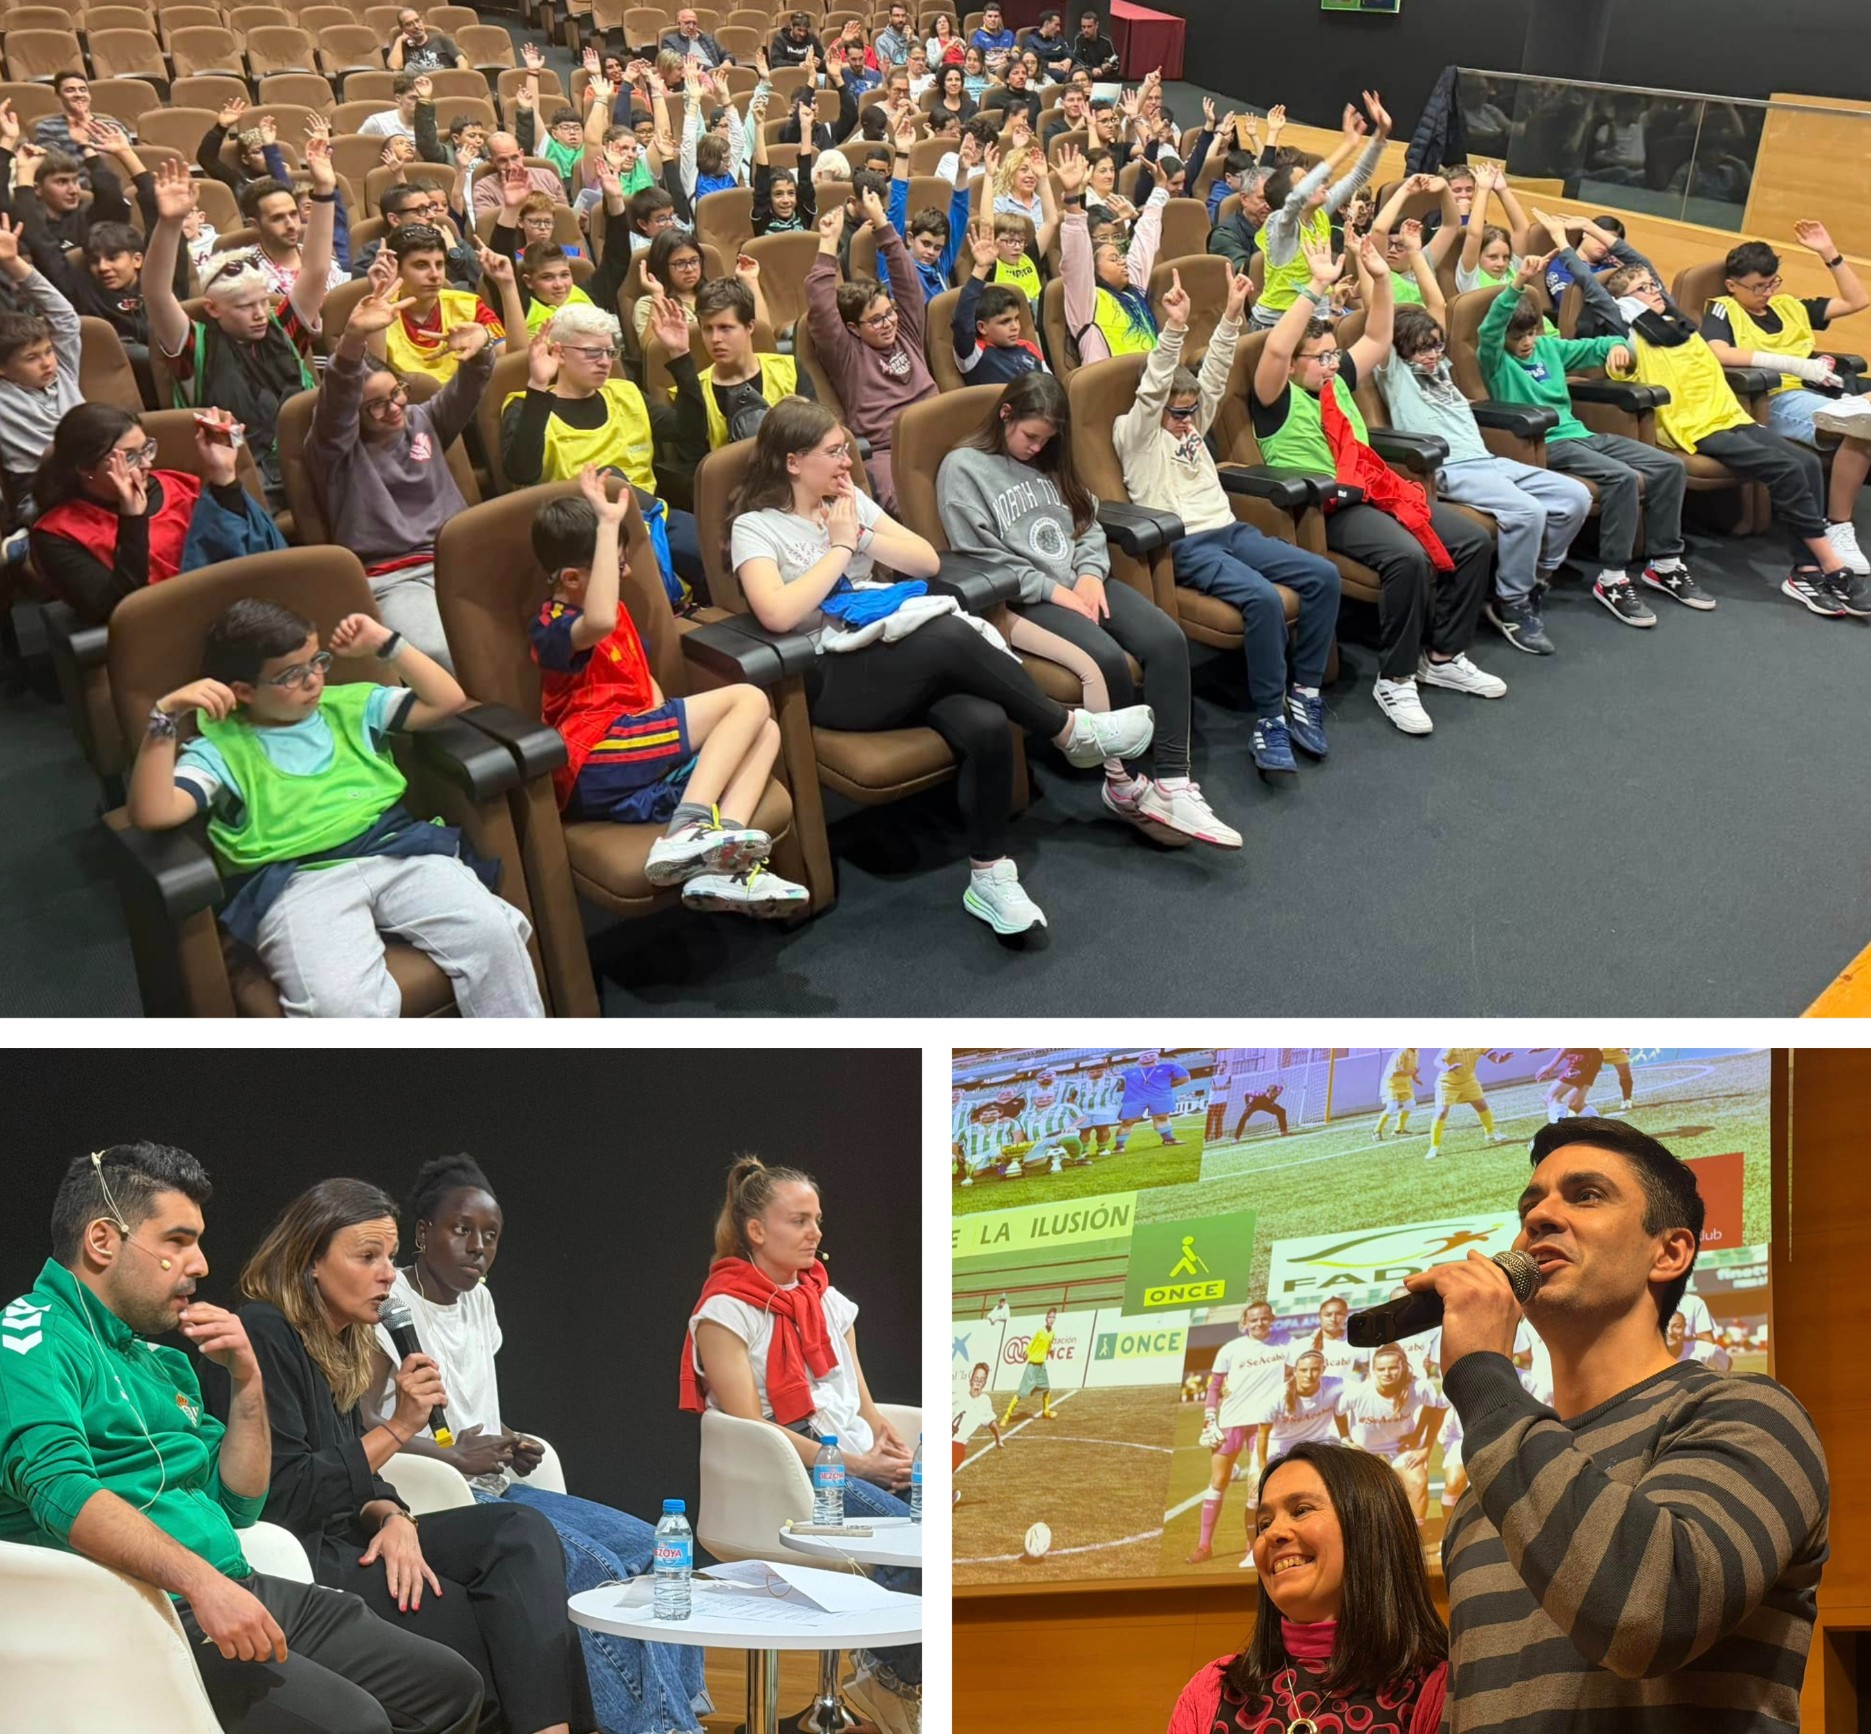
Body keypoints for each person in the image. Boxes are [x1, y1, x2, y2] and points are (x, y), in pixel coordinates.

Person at [0, 1146, 486, 1734]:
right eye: (177, 1241)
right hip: (125, 1608)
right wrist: (202, 1584)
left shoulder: (157, 1361)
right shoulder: (27, 1338)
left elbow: (239, 1502)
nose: (200, 1263)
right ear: (103, 1240)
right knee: (355, 1723)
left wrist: (248, 1379)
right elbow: (59, 1488)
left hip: (226, 1581)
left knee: (450, 1686)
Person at [1423, 1119, 1828, 1732]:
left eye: (1585, 1195)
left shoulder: (1748, 1414)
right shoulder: (1488, 1491)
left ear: (1669, 1252)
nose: (1539, 1218)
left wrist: (1483, 1375)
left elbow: (1648, 1616)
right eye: (1531, 1204)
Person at [730, 397, 1153, 933]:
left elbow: (927, 561)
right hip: (827, 676)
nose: (846, 462)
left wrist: (858, 533)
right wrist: (839, 550)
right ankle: (1068, 729)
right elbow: (778, 612)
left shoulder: (850, 503)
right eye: (834, 453)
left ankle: (990, 876)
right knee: (948, 634)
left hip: (890, 654)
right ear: (793, 462)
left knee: (986, 723)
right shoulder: (757, 527)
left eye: (845, 451)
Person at [209, 1180, 592, 1731]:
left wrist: (393, 1517)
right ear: (309, 1262)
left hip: (356, 1534)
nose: (388, 1274)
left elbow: (358, 1474)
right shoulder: (264, 1332)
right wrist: (400, 1426)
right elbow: (284, 1495)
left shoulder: (339, 1341)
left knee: (519, 1530)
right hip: (301, 1558)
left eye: (389, 1257)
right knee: (494, 1624)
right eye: (367, 1257)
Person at [359, 1156, 710, 1734]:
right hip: (445, 1492)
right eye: (461, 1230)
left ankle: (672, 1714)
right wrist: (454, 1457)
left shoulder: (479, 1300)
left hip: (498, 1482)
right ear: (423, 1232)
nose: (478, 1247)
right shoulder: (390, 1302)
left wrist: (508, 1440)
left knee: (653, 1548)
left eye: (490, 1236)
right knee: (597, 1568)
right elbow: (370, 1419)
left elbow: (471, 1411)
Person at [126, 598, 546, 1016]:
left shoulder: (349, 705)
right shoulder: (220, 748)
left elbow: (446, 701)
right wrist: (165, 715)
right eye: (292, 674)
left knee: (493, 934)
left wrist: (386, 642)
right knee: (340, 1005)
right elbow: (154, 812)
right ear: (244, 692)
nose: (312, 680)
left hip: (397, 849)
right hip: (298, 880)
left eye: (316, 661)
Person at [940, 372, 1237, 845]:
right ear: (1005, 415)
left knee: (1166, 640)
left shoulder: (1052, 461)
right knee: (1105, 657)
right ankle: (1124, 785)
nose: (1037, 448)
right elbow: (978, 554)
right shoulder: (963, 467)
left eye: (1048, 439)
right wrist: (1055, 591)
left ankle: (1173, 783)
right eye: (1030, 436)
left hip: (1081, 581)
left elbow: (1088, 522)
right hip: (1023, 597)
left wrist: (1091, 574)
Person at [682, 1157, 920, 1734]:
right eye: (799, 1221)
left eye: (817, 1220)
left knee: (949, 1526)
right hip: (791, 1470)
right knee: (921, 1544)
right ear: (757, 1231)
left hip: (854, 1453)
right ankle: (892, 1679)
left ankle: (888, 1674)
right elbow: (751, 1429)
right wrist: (853, 1464)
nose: (815, 1233)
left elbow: (858, 1398)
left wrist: (889, 1444)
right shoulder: (725, 1311)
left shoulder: (830, 1302)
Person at [1253, 230, 1501, 736]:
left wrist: (1384, 279)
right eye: (1317, 358)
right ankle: (1396, 678)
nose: (1328, 365)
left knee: (1473, 541)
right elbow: (1277, 348)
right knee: (1406, 557)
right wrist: (1315, 288)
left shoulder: (1337, 379)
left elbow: (1379, 337)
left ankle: (1443, 656)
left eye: (1330, 356)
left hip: (1374, 486)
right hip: (1323, 505)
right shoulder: (1274, 395)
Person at [529, 467, 810, 913]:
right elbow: (597, 620)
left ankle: (724, 864)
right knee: (749, 698)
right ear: (570, 580)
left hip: (633, 761)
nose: (623, 572)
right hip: (595, 758)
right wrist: (605, 524)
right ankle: (687, 830)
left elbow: (642, 681)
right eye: (613, 564)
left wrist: (665, 711)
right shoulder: (553, 627)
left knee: (765, 732)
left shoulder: (616, 612)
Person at [1117, 256, 1342, 776]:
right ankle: (1269, 721)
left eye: (1191, 412)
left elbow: (1214, 376)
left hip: (1232, 530)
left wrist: (1232, 316)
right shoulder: (1136, 434)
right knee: (1263, 600)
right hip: (1189, 543)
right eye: (1178, 413)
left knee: (1323, 575)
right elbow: (1154, 391)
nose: (1187, 421)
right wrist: (1174, 329)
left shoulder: (1191, 421)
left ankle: (1303, 692)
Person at [1600, 259, 1868, 617]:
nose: (1654, 291)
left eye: (1653, 284)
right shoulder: (1629, 336)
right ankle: (1829, 566)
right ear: (1625, 303)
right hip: (1695, 428)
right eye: (1642, 289)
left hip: (1731, 416)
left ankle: (1806, 572)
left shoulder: (1681, 328)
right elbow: (1615, 342)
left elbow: (1652, 279)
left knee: (1804, 463)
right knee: (1786, 467)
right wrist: (1617, 347)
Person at [1478, 260, 1707, 621]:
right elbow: (1491, 328)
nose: (1525, 344)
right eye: (1516, 337)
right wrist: (1520, 281)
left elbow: (1605, 343)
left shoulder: (1549, 349)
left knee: (1669, 466)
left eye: (1530, 334)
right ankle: (1613, 579)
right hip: (1544, 442)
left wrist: (1620, 348)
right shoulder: (1494, 360)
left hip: (1582, 435)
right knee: (1623, 478)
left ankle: (1665, 562)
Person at [1168, 1441, 1448, 1733]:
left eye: (1301, 1510)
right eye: (1264, 1523)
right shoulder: (1212, 1691)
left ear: (1369, 1523)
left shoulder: (1440, 1690)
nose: (1272, 1533)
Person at [1375, 286, 1593, 658]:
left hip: (1488, 460)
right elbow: (1378, 330)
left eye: (1436, 346)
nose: (1432, 355)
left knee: (1575, 497)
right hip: (1449, 467)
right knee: (1529, 511)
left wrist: (1416, 253)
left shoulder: (1441, 367)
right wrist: (1377, 273)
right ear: (1401, 353)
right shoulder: (1395, 374)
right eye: (1422, 349)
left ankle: (1537, 576)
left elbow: (1436, 304)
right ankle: (1510, 602)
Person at [308, 265, 492, 670]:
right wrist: (354, 340)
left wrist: (481, 348)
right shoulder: (335, 448)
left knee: (518, 631)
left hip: (460, 558)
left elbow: (470, 386)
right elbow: (337, 399)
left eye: (397, 394)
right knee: (440, 653)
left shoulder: (423, 419)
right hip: (395, 578)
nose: (393, 409)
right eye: (375, 405)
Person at [144, 156, 334, 511]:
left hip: (311, 456)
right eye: (245, 307)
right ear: (213, 308)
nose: (261, 314)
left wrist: (324, 192)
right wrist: (169, 223)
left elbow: (317, 270)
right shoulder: (193, 346)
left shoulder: (283, 328)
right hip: (245, 475)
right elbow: (156, 293)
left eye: (263, 301)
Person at [504, 296, 708, 600]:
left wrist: (680, 355)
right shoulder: (526, 405)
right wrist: (536, 386)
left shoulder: (625, 392)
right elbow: (521, 471)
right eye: (592, 352)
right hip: (584, 533)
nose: (605, 361)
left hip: (652, 517)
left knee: (716, 557)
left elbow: (690, 431)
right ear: (558, 354)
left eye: (610, 351)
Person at [1701, 221, 1871, 575]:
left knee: (1862, 417)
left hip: (1826, 390)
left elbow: (1859, 300)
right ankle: (1838, 526)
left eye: (1772, 282)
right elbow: (1716, 352)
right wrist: (1792, 364)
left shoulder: (1789, 307)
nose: (1766, 292)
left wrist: (1829, 253)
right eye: (1757, 286)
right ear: (1732, 285)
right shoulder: (1722, 308)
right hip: (1777, 396)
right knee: (1861, 425)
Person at [30, 405, 285, 626]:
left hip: (233, 610)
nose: (146, 464)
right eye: (129, 457)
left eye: (146, 449)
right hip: (162, 636)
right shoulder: (57, 533)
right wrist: (132, 519)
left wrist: (224, 477)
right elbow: (117, 611)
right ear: (86, 469)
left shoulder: (179, 485)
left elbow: (249, 551)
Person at [806, 197, 939, 510]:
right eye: (876, 320)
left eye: (889, 313)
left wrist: (882, 222)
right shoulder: (847, 354)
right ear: (853, 327)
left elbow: (907, 283)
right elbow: (822, 309)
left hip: (938, 431)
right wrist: (827, 244)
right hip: (890, 450)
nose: (889, 323)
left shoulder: (906, 332)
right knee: (914, 504)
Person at [1252, 93, 1389, 328]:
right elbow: (1297, 197)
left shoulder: (1319, 213)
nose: (1321, 183)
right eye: (1306, 179)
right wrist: (1346, 145)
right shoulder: (1280, 225)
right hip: (1275, 324)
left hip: (1315, 318)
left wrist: (1381, 133)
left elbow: (1359, 175)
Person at [1188, 1300, 1288, 1563]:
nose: (1259, 1323)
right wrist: (1210, 1417)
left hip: (1263, 1425)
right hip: (1231, 1422)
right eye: (1253, 1319)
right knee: (1218, 1481)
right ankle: (1204, 1546)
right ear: (1245, 1322)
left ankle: (1251, 1546)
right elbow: (1214, 1385)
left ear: (1272, 1318)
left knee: (1256, 1488)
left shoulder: (1287, 1342)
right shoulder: (1230, 1349)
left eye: (1264, 1318)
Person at [0, 212, 85, 519]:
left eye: (48, 352)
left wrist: (14, 264)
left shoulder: (63, 370)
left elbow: (64, 317)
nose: (47, 363)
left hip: (94, 471)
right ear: (3, 369)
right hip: (39, 490)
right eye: (32, 358)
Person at [1058, 144, 1172, 362]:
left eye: (1120, 255)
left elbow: (1145, 241)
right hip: (1109, 390)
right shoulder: (1086, 300)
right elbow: (1075, 260)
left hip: (1152, 382)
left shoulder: (1134, 287)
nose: (1123, 261)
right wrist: (1073, 198)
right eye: (1113, 259)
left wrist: (1160, 190)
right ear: (1094, 266)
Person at [675, 276, 812, 450]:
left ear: (750, 327)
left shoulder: (789, 370)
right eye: (707, 329)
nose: (715, 339)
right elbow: (696, 467)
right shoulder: (694, 392)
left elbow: (816, 437)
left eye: (725, 328)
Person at [381, 223, 522, 386]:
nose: (435, 275)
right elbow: (371, 379)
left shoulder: (469, 305)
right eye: (421, 265)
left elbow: (516, 360)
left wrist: (507, 284)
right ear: (395, 268)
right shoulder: (379, 313)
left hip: (467, 406)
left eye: (439, 265)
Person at [1424, 1047, 1511, 1159]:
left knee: (1482, 1106)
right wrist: (1447, 1068)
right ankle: (1434, 1147)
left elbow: (1494, 1057)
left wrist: (1501, 1059)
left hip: (1469, 1081)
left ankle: (1490, 1134)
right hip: (1447, 1083)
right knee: (1441, 1112)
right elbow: (1437, 1061)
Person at [1115, 1048, 1189, 1148]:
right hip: (1134, 1099)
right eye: (1144, 1056)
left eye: (1151, 1055)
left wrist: (1166, 1086)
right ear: (1138, 1060)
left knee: (1162, 1117)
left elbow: (1185, 1078)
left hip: (1159, 1097)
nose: (1148, 1057)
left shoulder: (1170, 1067)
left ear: (1157, 1057)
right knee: (1128, 1121)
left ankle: (1168, 1139)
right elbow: (1119, 1085)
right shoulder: (1127, 1072)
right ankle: (1119, 1146)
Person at [1001, 1305, 1057, 1423]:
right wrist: (1026, 1352)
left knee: (1047, 1388)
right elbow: (1031, 1343)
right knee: (1022, 1392)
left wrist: (1050, 1351)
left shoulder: (1052, 1334)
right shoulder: (1040, 1332)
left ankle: (1045, 1412)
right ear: (1046, 1318)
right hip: (1032, 1365)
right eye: (1050, 1317)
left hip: (1041, 1366)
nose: (1051, 1319)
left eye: (1053, 1317)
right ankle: (1007, 1415)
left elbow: (1048, 1346)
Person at [1538, 1046, 1604, 1121]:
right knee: (1575, 1104)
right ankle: (1600, 1130)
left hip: (1582, 1058)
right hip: (1590, 1057)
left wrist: (1551, 1066)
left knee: (1551, 1097)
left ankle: (1559, 1130)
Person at [388, 8, 460, 70]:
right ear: (403, 29)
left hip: (443, 77)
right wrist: (399, 40)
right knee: (410, 68)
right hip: (419, 82)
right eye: (409, 24)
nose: (416, 26)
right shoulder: (401, 47)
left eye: (417, 20)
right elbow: (394, 67)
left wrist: (461, 79)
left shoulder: (440, 38)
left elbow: (461, 60)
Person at [660, 7, 732, 68]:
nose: (691, 27)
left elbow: (727, 54)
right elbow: (677, 63)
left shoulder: (707, 39)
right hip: (692, 75)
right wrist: (711, 70)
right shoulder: (669, 41)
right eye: (687, 23)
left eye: (694, 23)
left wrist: (727, 61)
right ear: (679, 23)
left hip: (715, 73)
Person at [1373, 1047, 1420, 1139]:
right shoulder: (1401, 1052)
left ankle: (1398, 1129)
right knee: (1392, 1106)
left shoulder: (1416, 1052)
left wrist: (1415, 1078)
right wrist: (1412, 1072)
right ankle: (1376, 1131)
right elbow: (1396, 1071)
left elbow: (1413, 1067)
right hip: (1392, 1083)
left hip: (1405, 1083)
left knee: (1410, 1103)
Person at [361, 75, 423, 142]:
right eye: (413, 98)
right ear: (398, 98)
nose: (420, 103)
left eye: (423, 98)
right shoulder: (377, 123)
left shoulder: (430, 125)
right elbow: (359, 148)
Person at [1070, 9, 1119, 78]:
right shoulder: (1079, 39)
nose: (1086, 30)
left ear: (1096, 25)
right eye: (1083, 27)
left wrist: (1108, 67)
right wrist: (1091, 70)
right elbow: (1076, 59)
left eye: (1089, 26)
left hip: (1104, 76)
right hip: (1086, 74)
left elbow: (1115, 63)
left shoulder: (1106, 41)